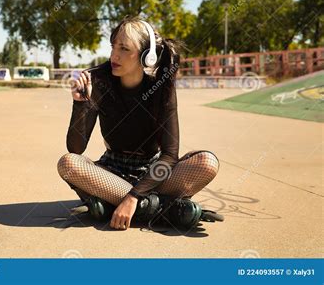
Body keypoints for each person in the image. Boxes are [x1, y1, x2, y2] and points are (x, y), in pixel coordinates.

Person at [57, 16, 221, 231]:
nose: (114, 55)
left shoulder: (161, 89)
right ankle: (164, 209)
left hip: (155, 175)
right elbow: (76, 149)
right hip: (111, 173)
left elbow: (170, 155)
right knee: (68, 164)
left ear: (147, 57)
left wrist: (133, 197)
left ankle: (113, 206)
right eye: (113, 46)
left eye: (124, 49)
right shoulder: (98, 83)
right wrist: (80, 104)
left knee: (207, 163)